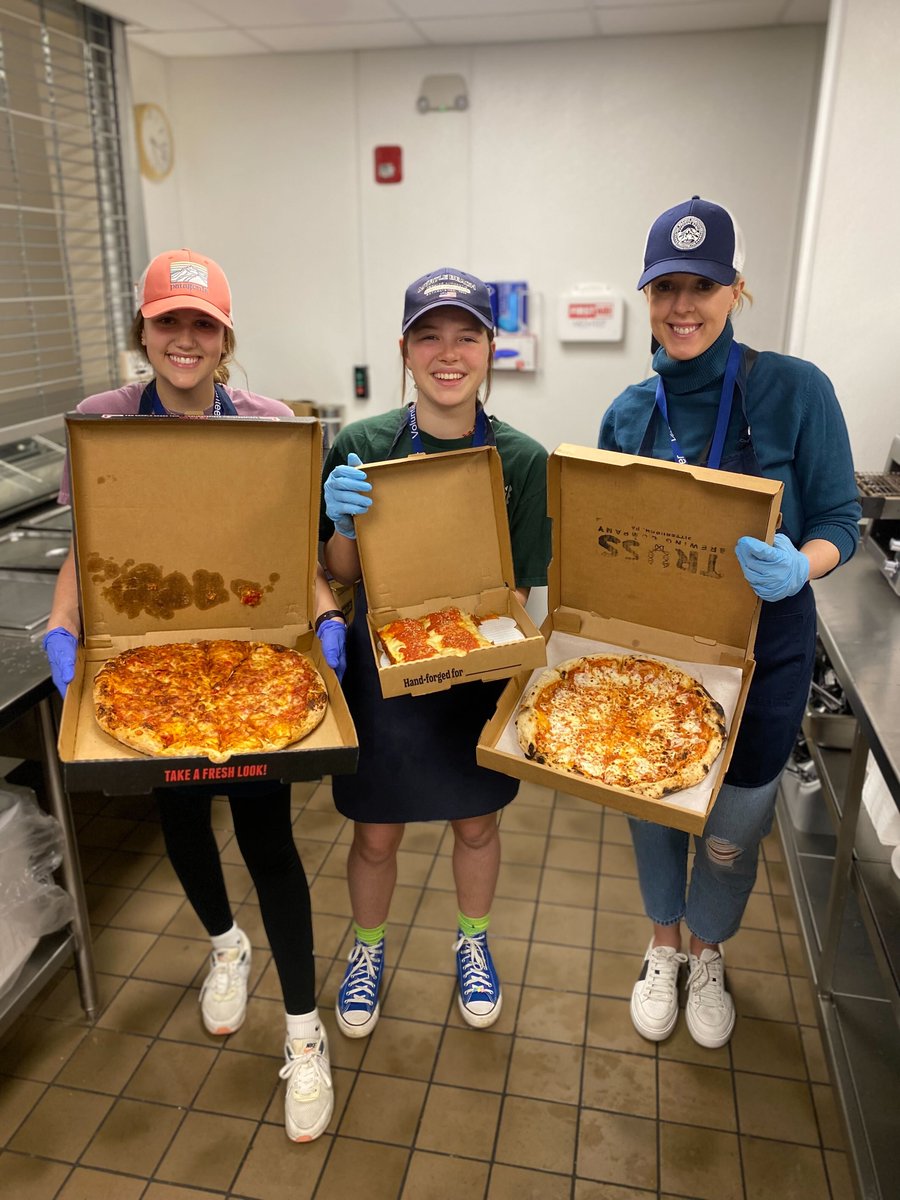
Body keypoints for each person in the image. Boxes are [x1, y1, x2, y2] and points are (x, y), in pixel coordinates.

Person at [41, 247, 346, 1142]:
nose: (184, 338)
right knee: (180, 823)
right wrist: (63, 628)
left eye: (200, 324)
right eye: (167, 321)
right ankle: (225, 945)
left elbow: (293, 554)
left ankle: (303, 1031)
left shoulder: (264, 423)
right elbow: (86, 549)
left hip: (251, 663)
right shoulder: (101, 422)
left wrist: (325, 616)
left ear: (225, 337)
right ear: (142, 329)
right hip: (149, 663)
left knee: (268, 840)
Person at [599, 198, 860, 1048]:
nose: (683, 305)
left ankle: (709, 949)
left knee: (731, 832)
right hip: (657, 660)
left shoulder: (794, 390)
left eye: (702, 285)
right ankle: (663, 946)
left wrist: (799, 564)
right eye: (666, 286)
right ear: (647, 296)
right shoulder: (629, 412)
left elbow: (840, 522)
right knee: (654, 815)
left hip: (766, 657)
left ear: (736, 289)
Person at [319, 268, 551, 1038]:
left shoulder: (521, 460)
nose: (447, 353)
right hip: (382, 670)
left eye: (466, 336)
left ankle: (474, 942)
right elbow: (341, 576)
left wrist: (481, 650)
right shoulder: (362, 444)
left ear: (491, 349)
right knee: (375, 832)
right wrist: (344, 525)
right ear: (405, 348)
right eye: (430, 335)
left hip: (475, 668)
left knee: (477, 825)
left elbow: (520, 590)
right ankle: (368, 949)